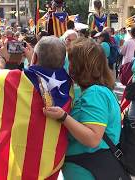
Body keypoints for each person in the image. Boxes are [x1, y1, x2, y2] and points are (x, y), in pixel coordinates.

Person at [0, 36, 72, 179]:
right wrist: (35, 59)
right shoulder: (70, 87)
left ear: (36, 57)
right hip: (49, 166)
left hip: (14, 166)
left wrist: (2, 58)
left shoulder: (14, 80)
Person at [43, 38, 127, 179]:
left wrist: (63, 117)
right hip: (88, 167)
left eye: (69, 61)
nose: (66, 66)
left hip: (88, 170)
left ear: (79, 66)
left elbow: (93, 138)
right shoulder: (97, 90)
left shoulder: (95, 93)